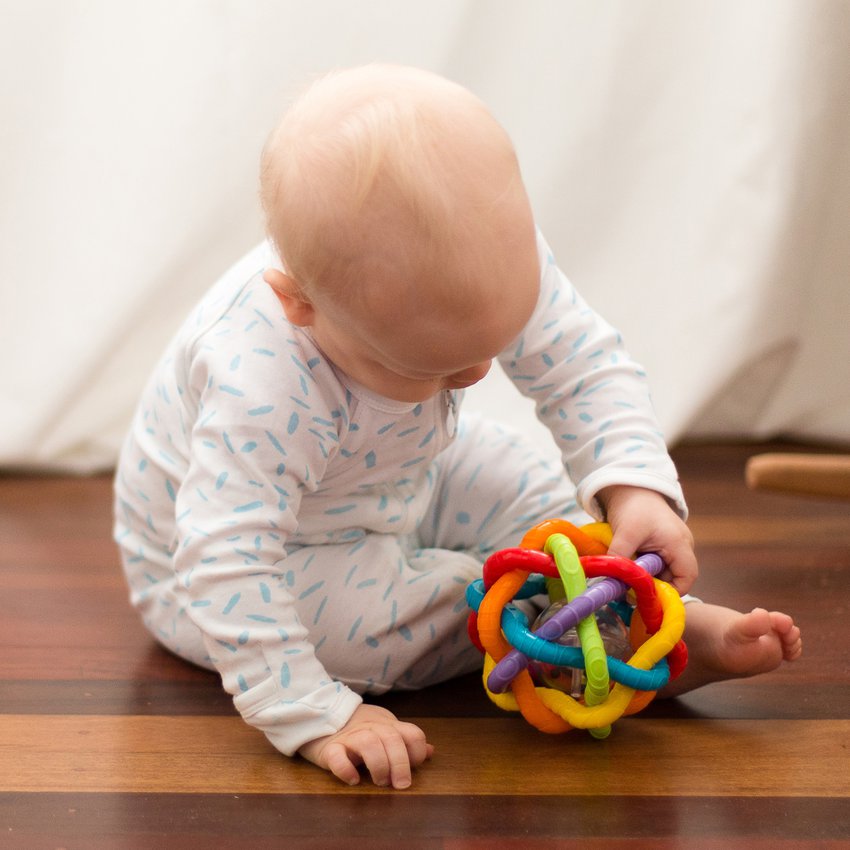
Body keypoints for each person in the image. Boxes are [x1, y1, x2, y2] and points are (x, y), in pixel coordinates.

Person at [113, 64, 802, 790]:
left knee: (525, 481)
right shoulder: (260, 381)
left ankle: (649, 616)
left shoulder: (485, 254)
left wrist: (635, 491)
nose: (475, 377)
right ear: (300, 305)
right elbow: (226, 558)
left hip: (399, 472)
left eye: (492, 347)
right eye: (435, 369)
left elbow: (582, 370)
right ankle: (564, 627)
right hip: (247, 562)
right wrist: (314, 713)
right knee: (366, 631)